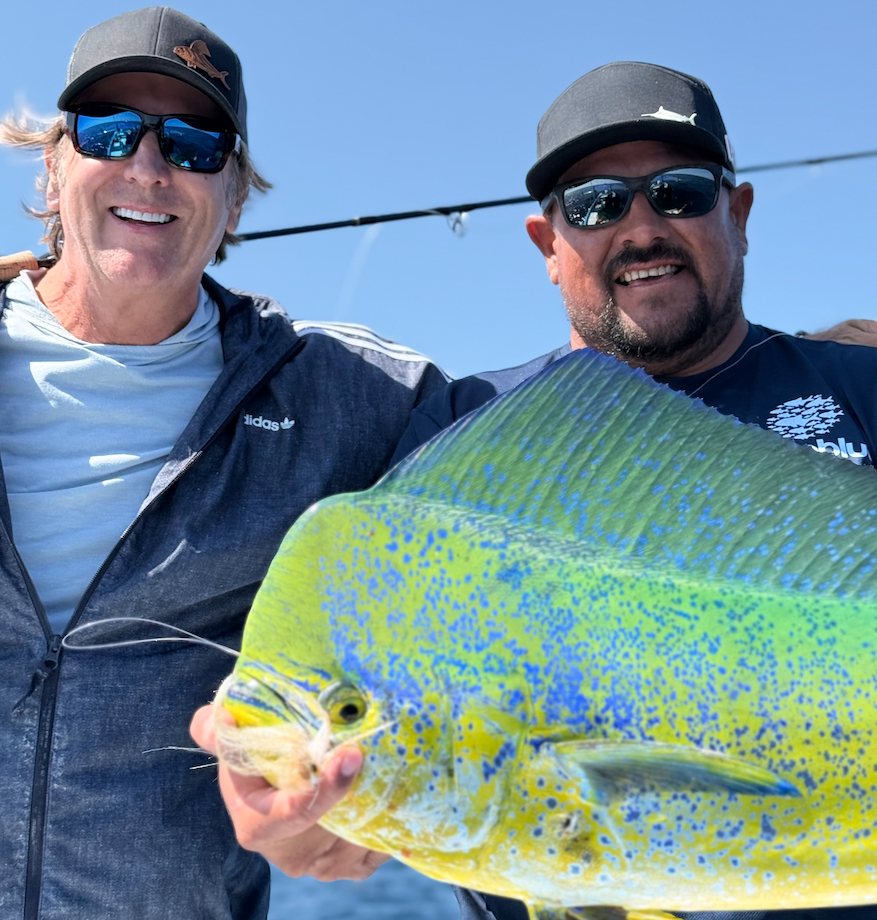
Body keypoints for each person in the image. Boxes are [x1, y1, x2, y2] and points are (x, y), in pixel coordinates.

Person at [387, 61, 877, 920]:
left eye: (679, 193)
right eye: (596, 204)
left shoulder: (862, 386)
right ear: (547, 244)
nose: (640, 227)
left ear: (740, 214)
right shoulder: (460, 430)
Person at [0, 7, 446, 919]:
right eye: (110, 131)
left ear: (236, 195)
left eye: (196, 144)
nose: (149, 166)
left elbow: (564, 475)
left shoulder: (351, 394)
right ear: (53, 163)